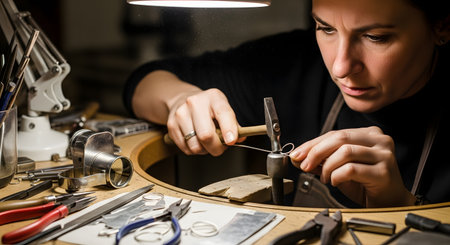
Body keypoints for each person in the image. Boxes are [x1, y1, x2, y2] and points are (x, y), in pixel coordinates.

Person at [123, 0, 450, 208]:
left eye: (376, 37)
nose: (340, 67)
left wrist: (400, 205)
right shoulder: (292, 62)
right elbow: (144, 81)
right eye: (326, 28)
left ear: (442, 26)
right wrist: (180, 99)